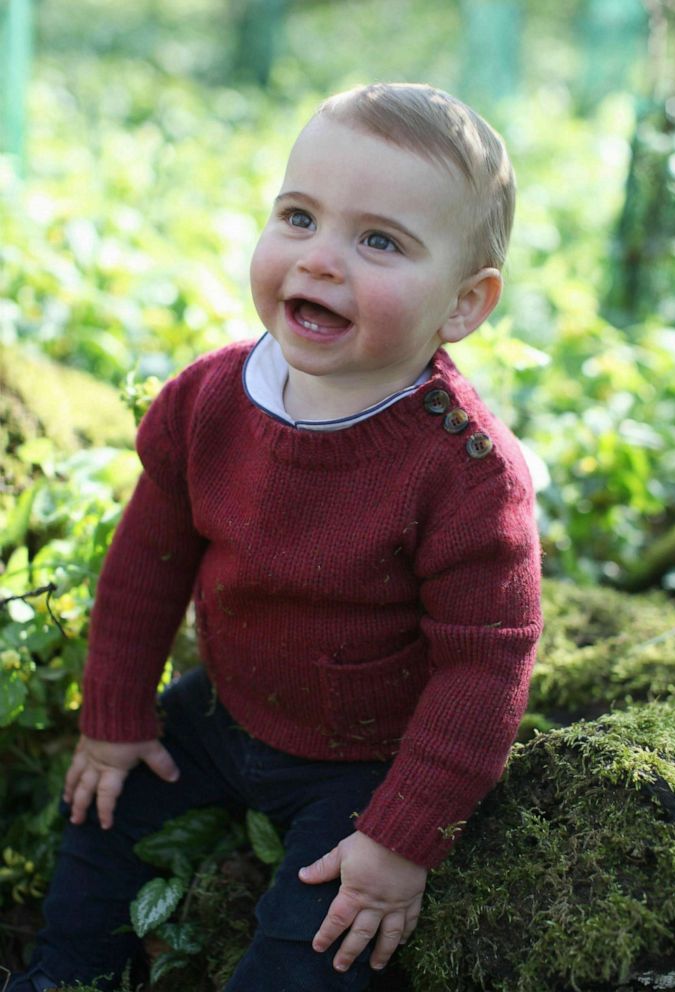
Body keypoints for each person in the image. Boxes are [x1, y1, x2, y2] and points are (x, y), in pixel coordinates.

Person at [9, 82, 542, 992]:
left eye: (379, 240)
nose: (322, 259)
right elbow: (150, 561)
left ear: (463, 305)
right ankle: (63, 972)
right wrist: (115, 716)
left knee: (321, 937)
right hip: (222, 708)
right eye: (299, 217)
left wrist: (402, 837)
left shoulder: (462, 471)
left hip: (366, 757)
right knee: (100, 821)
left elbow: (485, 662)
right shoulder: (212, 398)